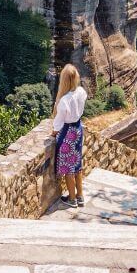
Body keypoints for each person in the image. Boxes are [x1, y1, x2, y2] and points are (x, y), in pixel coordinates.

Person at [52, 64, 87, 209]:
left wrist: (54, 132)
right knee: (77, 165)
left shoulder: (64, 100)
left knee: (67, 168)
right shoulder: (80, 92)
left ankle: (72, 199)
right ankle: (80, 196)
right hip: (78, 130)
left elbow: (58, 123)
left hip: (67, 133)